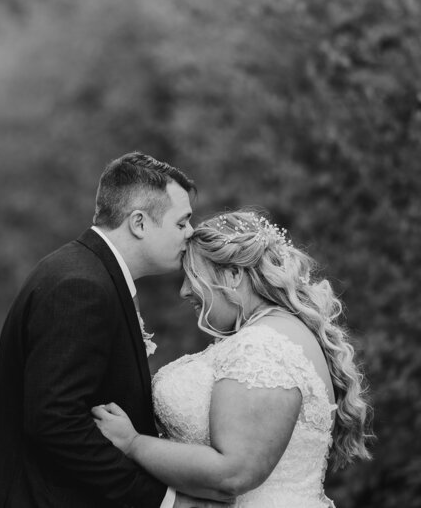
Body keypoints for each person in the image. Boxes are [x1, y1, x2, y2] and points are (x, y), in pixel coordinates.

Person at [0, 152, 227, 508]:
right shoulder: (81, 287)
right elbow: (56, 422)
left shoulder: (85, 271)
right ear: (139, 223)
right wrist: (163, 500)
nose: (191, 234)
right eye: (182, 223)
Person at [92, 210, 373, 507]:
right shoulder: (276, 333)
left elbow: (232, 473)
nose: (184, 290)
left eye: (193, 274)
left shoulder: (262, 346)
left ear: (233, 275)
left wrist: (133, 444)